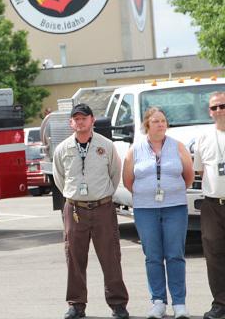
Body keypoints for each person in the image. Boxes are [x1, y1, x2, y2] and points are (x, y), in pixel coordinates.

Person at [53, 103, 129, 319]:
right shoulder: (63, 149)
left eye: (84, 118)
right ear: (71, 123)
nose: (80, 122)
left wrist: (101, 195)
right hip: (75, 209)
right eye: (76, 118)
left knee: (111, 256)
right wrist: (76, 195)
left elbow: (115, 175)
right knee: (75, 258)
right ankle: (77, 305)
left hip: (103, 207)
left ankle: (118, 304)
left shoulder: (106, 146)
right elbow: (60, 179)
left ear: (92, 120)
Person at [122, 107, 193, 319]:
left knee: (175, 255)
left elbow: (188, 177)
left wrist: (171, 190)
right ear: (147, 125)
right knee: (153, 256)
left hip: (175, 208)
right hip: (145, 210)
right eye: (155, 121)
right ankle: (158, 302)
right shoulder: (135, 150)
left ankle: (179, 303)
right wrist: (146, 193)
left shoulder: (178, 146)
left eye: (163, 121)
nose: (161, 124)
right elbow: (128, 181)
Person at [193, 91, 225, 319]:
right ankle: (220, 303)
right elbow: (199, 171)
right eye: (214, 107)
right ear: (209, 112)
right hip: (213, 205)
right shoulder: (203, 137)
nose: (219, 111)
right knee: (214, 257)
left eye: (222, 106)